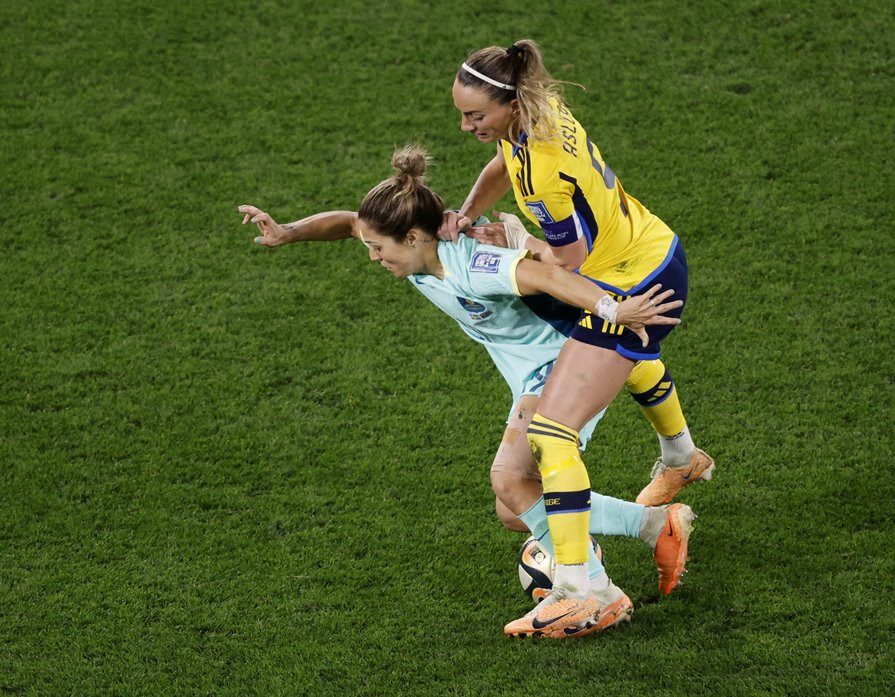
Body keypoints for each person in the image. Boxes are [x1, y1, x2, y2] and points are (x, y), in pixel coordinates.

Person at [239, 145, 697, 638]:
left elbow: (549, 276)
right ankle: (656, 524)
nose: (372, 256)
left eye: (378, 248)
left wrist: (613, 310)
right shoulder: (415, 252)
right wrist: (289, 232)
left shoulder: (473, 264)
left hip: (562, 363)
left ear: (412, 237)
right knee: (514, 508)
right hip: (529, 373)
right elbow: (349, 222)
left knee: (509, 479)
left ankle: (595, 593)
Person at [442, 39, 715, 637]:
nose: (466, 127)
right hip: (647, 250)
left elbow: (569, 258)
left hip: (633, 287)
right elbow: (503, 163)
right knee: (604, 367)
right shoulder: (538, 112)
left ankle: (579, 593)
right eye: (462, 114)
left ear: (508, 104)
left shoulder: (541, 171)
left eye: (475, 116)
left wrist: (519, 241)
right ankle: (681, 458)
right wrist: (467, 212)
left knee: (551, 433)